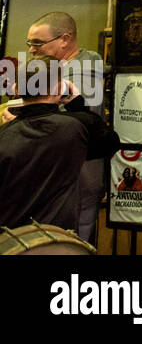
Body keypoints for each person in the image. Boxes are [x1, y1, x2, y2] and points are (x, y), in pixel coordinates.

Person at [0, 55, 120, 232]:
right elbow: (111, 142)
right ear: (58, 90)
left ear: (16, 89)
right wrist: (78, 103)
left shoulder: (5, 133)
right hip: (57, 238)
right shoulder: (76, 128)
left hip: (10, 239)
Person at [27, 12, 106, 243]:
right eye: (29, 43)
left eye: (38, 43)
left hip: (79, 175)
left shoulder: (87, 64)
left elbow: (69, 116)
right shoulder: (52, 68)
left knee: (75, 243)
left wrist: (20, 112)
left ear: (65, 39)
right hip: (56, 175)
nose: (32, 49)